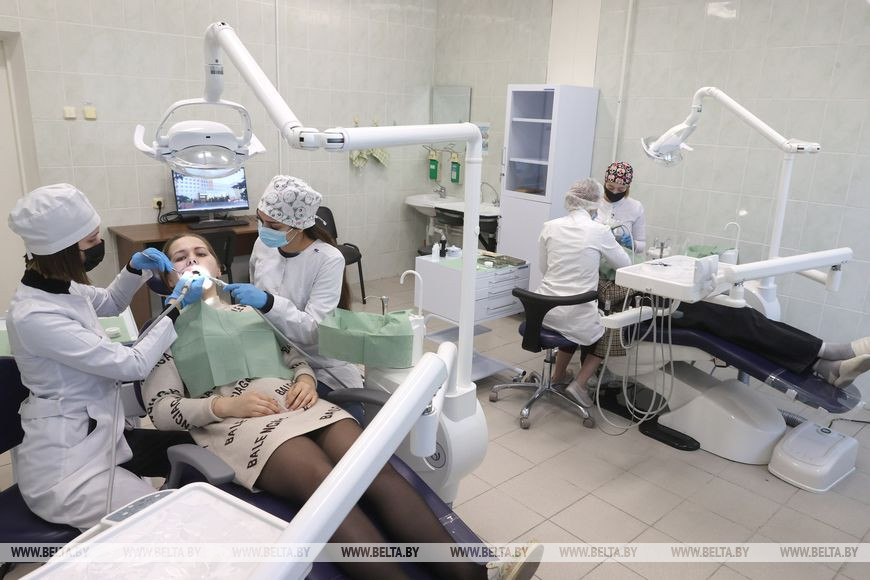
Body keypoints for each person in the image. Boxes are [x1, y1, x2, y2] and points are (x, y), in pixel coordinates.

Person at [144, 233, 541, 580]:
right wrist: (225, 405)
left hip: (300, 401)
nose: (192, 260)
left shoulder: (251, 310)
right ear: (166, 277)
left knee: (374, 470)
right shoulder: (163, 332)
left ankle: (474, 573)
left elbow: (295, 356)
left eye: (201, 253)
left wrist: (305, 379)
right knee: (325, 482)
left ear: (218, 267)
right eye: (180, 257)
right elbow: (161, 409)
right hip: (241, 421)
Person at [6, 183, 204, 529]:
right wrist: (176, 307)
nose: (98, 245)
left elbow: (110, 303)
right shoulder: (35, 316)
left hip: (101, 435)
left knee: (199, 450)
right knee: (157, 522)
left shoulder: (59, 285)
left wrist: (134, 268)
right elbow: (133, 364)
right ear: (62, 251)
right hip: (68, 471)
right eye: (91, 241)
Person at [223, 175, 363, 392]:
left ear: (299, 226)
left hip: (317, 360)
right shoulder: (262, 244)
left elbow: (313, 330)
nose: (264, 230)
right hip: (271, 352)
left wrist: (269, 303)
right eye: (260, 220)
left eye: (274, 225)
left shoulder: (328, 259)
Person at [536, 179, 632, 407]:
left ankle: (558, 376)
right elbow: (625, 265)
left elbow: (544, 268)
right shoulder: (599, 231)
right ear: (595, 203)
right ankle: (579, 384)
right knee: (611, 325)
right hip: (575, 317)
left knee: (574, 318)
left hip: (543, 311)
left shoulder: (550, 226)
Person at [671, 301, 870, 388]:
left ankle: (827, 367)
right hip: (654, 311)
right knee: (734, 315)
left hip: (661, 300)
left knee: (737, 314)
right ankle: (831, 353)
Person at [594, 161, 646, 253]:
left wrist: (632, 244)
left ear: (627, 188)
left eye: (621, 189)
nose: (614, 192)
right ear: (605, 183)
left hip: (620, 259)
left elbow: (641, 245)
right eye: (610, 187)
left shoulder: (635, 207)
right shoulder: (593, 202)